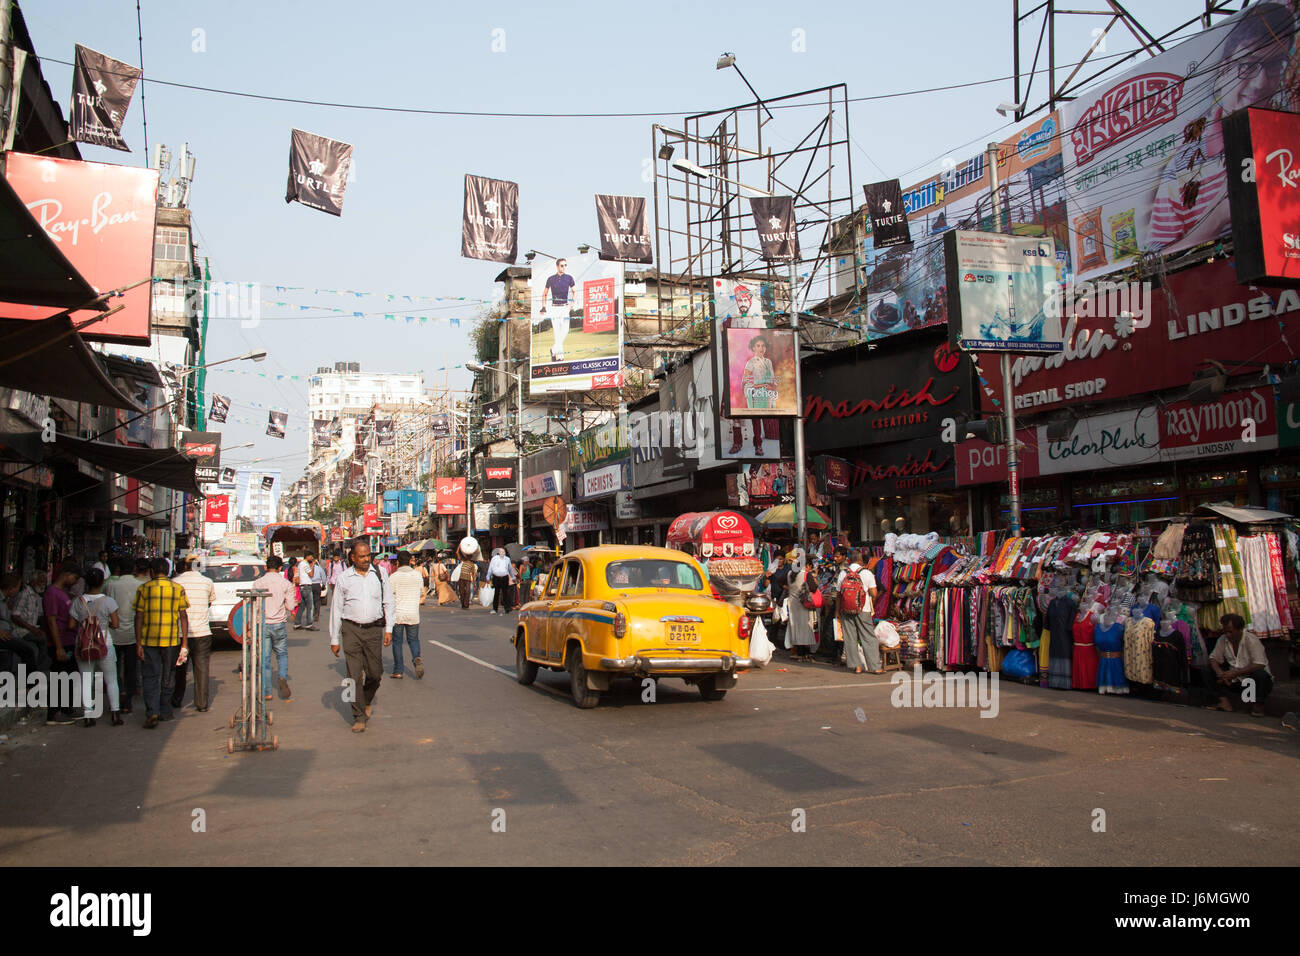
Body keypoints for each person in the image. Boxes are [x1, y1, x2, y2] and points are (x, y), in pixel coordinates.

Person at [329, 540, 395, 733]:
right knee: (353, 675)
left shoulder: (380, 573)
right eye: (362, 556)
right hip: (351, 630)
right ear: (353, 558)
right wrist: (334, 639)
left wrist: (389, 628)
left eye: (368, 556)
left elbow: (388, 601)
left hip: (374, 630)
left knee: (375, 673)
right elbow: (336, 609)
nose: (366, 559)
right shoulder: (344, 578)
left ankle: (365, 698)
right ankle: (358, 715)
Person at [133, 559, 190, 728]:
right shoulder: (177, 589)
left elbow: (138, 617)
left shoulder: (143, 589)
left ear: (152, 571)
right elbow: (183, 617)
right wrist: (184, 643)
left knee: (150, 676)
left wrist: (138, 643)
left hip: (148, 640)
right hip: (171, 640)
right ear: (167, 571)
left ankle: (152, 711)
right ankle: (165, 709)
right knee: (168, 674)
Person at [69, 568, 122, 727]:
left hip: (83, 645)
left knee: (87, 680)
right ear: (102, 582)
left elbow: (71, 624)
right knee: (111, 679)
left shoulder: (78, 601)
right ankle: (115, 713)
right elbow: (116, 624)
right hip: (105, 643)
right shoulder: (108, 601)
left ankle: (88, 714)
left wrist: (85, 625)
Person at [1206, 613, 1273, 717]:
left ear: (1240, 629)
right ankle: (1224, 702)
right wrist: (1220, 674)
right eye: (1225, 631)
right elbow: (1213, 658)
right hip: (1235, 682)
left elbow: (1259, 664)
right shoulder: (1223, 639)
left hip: (1250, 681)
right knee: (1207, 670)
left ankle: (1258, 705)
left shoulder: (1251, 640)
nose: (1227, 635)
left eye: (1230, 632)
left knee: (1261, 675)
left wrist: (1236, 673)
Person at [106, 558, 150, 713]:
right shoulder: (140, 585)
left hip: (114, 632)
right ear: (134, 569)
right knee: (130, 668)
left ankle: (118, 697)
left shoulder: (112, 585)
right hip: (133, 633)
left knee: (115, 668)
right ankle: (128, 700)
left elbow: (109, 606)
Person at [172, 556, 215, 712]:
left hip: (179, 633)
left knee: (179, 667)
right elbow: (209, 602)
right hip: (202, 631)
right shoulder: (207, 582)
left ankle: (176, 698)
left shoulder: (175, 582)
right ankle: (202, 703)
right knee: (201, 668)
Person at [43, 564, 81, 724]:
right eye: (75, 578)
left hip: (67, 640)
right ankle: (54, 712)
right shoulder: (52, 593)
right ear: (67, 574)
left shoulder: (62, 593)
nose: (75, 582)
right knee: (60, 677)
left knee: (70, 676)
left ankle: (65, 709)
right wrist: (58, 647)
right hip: (60, 642)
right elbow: (51, 621)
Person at [256, 555, 297, 701]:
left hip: (263, 623)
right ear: (280, 568)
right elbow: (291, 606)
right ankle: (281, 677)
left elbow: (253, 606)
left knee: (265, 658)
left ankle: (267, 692)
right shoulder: (285, 584)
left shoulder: (258, 583)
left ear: (266, 567)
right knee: (281, 654)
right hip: (279, 623)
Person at [836, 554, 881, 675]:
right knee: (868, 637)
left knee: (850, 638)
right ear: (861, 560)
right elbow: (874, 593)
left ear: (850, 560)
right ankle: (875, 667)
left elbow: (839, 594)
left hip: (846, 610)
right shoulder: (867, 573)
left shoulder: (843, 573)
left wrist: (837, 612)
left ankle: (857, 667)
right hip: (863, 609)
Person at [389, 550, 426, 679]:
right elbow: (422, 593)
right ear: (410, 561)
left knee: (397, 642)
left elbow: (389, 596)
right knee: (413, 640)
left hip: (398, 614)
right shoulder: (417, 575)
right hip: (413, 614)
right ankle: (416, 657)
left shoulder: (393, 577)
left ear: (398, 562)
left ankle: (398, 670)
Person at [541, 257, 577, 361]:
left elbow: (575, 291)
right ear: (557, 266)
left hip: (565, 307)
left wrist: (571, 304)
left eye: (565, 265)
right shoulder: (551, 279)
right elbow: (545, 294)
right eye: (562, 265)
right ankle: (560, 357)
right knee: (557, 332)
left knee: (565, 331)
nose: (564, 267)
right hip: (554, 308)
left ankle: (553, 349)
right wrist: (544, 306)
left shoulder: (569, 278)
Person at [741, 334, 778, 410]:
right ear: (753, 348)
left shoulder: (768, 362)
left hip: (768, 395)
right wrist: (762, 385)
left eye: (763, 346)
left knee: (769, 416)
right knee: (757, 417)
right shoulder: (751, 362)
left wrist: (772, 388)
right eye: (758, 346)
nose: (761, 348)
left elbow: (773, 380)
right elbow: (745, 383)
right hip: (757, 396)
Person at [295, 553, 319, 630]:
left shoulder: (300, 564)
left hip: (302, 586)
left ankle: (297, 623)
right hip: (306, 586)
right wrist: (312, 564)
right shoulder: (305, 564)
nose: (312, 558)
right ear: (307, 556)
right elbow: (311, 574)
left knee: (302, 606)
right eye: (311, 556)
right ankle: (309, 624)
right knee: (310, 606)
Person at [488, 548, 512, 614]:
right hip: (496, 578)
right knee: (496, 593)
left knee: (505, 594)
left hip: (504, 578)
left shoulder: (507, 559)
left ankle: (507, 608)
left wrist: (512, 576)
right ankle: (495, 609)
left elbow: (510, 568)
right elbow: (491, 568)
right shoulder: (495, 560)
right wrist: (488, 576)